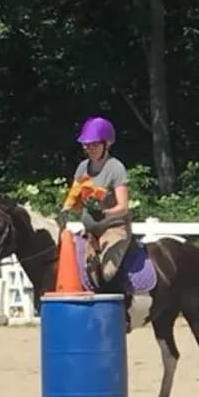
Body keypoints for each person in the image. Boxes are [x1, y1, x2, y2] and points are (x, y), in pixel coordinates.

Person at [56, 116, 132, 289]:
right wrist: (65, 209)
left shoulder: (115, 168)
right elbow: (74, 194)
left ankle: (122, 304)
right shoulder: (83, 167)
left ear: (107, 145)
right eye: (87, 145)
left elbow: (123, 206)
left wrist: (107, 212)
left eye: (94, 145)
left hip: (114, 228)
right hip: (90, 232)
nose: (89, 149)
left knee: (107, 271)